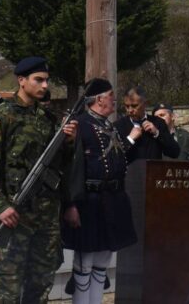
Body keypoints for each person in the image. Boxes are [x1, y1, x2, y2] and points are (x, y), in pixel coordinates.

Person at [0, 57, 77, 304]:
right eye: (38, 80)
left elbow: (60, 166)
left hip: (45, 217)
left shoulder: (48, 119)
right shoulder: (0, 117)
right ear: (22, 81)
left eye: (46, 80)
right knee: (8, 288)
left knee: (41, 284)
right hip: (14, 213)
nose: (44, 85)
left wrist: (69, 142)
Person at [63, 78, 137, 304]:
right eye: (111, 95)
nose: (114, 99)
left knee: (102, 263)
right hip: (89, 202)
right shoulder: (80, 125)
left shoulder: (108, 125)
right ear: (99, 99)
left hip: (112, 200)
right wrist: (71, 204)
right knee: (84, 265)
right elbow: (71, 168)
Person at [113, 85, 179, 161]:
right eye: (127, 106)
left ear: (145, 104)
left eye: (134, 106)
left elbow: (174, 152)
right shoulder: (118, 126)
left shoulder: (158, 123)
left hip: (153, 171)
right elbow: (113, 157)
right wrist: (130, 139)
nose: (130, 110)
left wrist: (157, 133)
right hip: (130, 172)